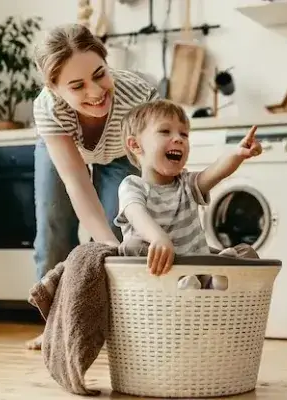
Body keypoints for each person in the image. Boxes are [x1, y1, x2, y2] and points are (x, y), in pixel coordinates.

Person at [26, 23, 159, 350]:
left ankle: (117, 328)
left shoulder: (140, 96)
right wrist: (104, 243)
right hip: (64, 147)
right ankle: (56, 327)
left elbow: (156, 169)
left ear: (106, 60)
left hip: (120, 153)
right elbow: (75, 182)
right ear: (56, 89)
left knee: (121, 228)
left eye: (100, 74)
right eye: (77, 86)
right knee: (54, 226)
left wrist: (117, 242)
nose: (95, 92)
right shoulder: (48, 108)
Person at [114, 100, 262, 289]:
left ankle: (216, 281)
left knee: (246, 253)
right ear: (135, 145)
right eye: (165, 131)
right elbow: (136, 214)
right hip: (159, 275)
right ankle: (187, 285)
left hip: (199, 269)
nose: (179, 139)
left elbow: (216, 171)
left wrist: (238, 154)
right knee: (131, 247)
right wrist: (158, 238)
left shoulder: (187, 184)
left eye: (184, 134)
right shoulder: (132, 185)